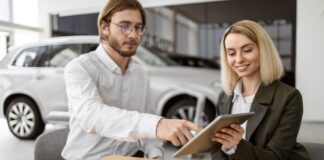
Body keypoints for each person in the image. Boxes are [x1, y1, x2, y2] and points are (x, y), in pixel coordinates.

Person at [61, 0, 202, 159]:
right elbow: (92, 115)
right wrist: (158, 125)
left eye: (138, 27)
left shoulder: (140, 72)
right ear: (104, 27)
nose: (133, 34)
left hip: (132, 156)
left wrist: (155, 155)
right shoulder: (79, 67)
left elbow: (148, 122)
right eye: (125, 26)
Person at [210, 20, 310, 160]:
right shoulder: (225, 96)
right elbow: (216, 150)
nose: (238, 59)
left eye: (247, 50)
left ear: (264, 50)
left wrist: (237, 145)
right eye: (231, 53)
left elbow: (276, 157)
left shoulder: (289, 97)